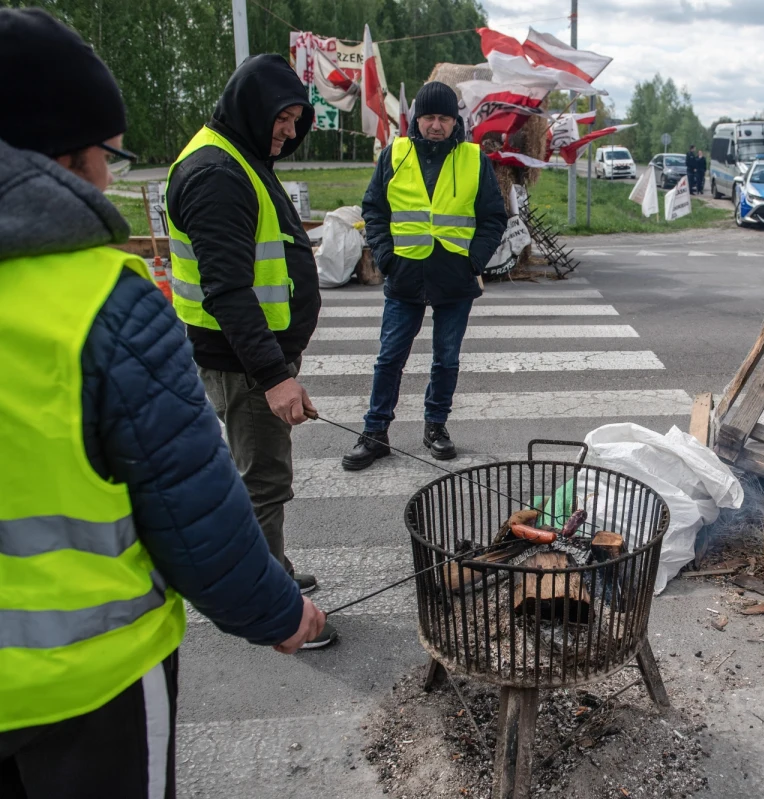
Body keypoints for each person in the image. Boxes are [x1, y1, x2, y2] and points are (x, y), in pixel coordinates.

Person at [0, 9, 328, 796]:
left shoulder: (236, 159)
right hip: (85, 687)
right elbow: (191, 506)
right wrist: (276, 611)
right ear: (61, 155)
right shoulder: (98, 300)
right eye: (107, 155)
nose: (110, 178)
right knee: (260, 480)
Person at [165, 54, 335, 646]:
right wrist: (274, 376)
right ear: (252, 107)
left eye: (296, 120)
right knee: (263, 479)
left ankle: (275, 572)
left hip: (253, 357)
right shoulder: (217, 173)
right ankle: (275, 607)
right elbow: (229, 290)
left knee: (260, 474)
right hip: (243, 362)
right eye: (282, 119)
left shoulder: (238, 155)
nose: (289, 131)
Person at [341, 81, 507, 471]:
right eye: (429, 117)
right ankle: (375, 432)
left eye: (443, 118)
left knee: (446, 360)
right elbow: (374, 210)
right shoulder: (394, 154)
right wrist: (385, 257)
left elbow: (493, 217)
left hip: (455, 275)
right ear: (417, 119)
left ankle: (436, 427)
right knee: (389, 358)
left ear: (455, 121)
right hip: (405, 273)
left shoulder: (473, 159)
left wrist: (473, 260)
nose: (435, 125)